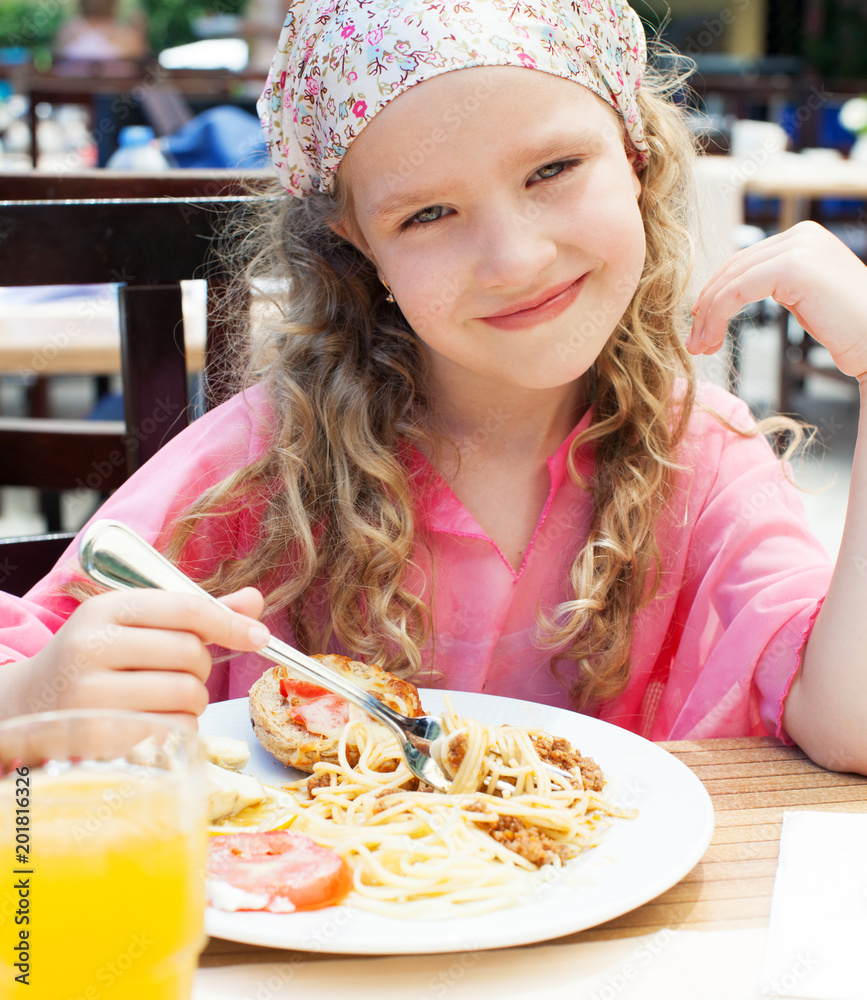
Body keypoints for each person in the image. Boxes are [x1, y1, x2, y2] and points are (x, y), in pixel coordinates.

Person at [3, 0, 867, 775]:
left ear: (636, 156)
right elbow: (31, 667)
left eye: (553, 169)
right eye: (426, 215)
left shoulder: (704, 455)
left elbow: (849, 723)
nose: (515, 259)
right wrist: (37, 698)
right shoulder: (265, 461)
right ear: (358, 246)